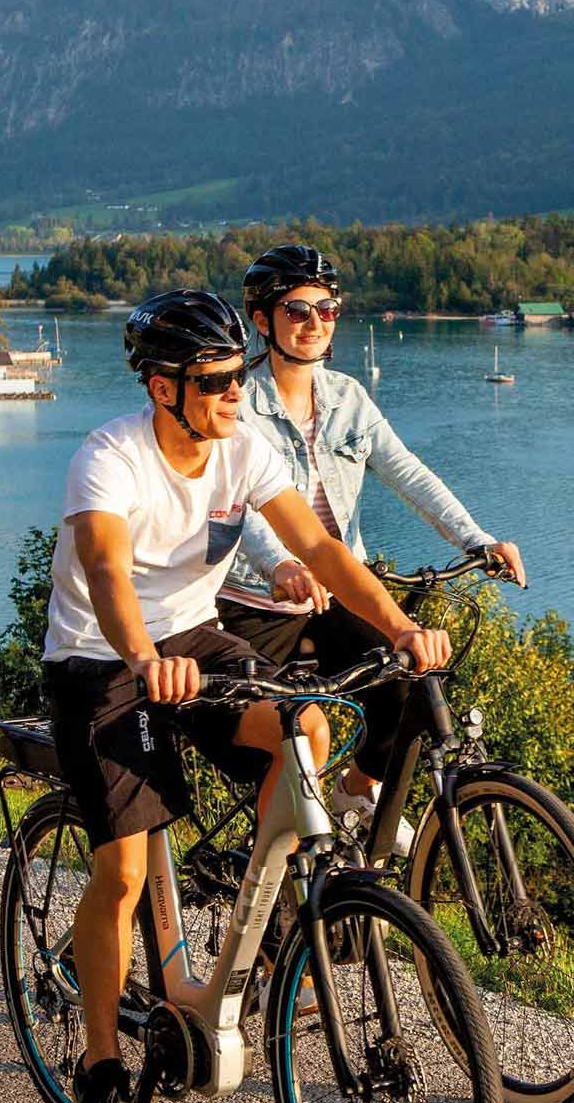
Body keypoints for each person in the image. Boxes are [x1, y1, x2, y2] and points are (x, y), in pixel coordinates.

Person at [44, 288, 450, 1103]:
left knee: (309, 726)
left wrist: (398, 627)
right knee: (118, 875)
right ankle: (103, 1063)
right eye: (220, 380)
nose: (238, 391)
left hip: (194, 638)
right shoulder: (107, 459)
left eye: (239, 375)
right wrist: (145, 657)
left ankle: (251, 930)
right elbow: (109, 573)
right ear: (164, 388)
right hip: (100, 659)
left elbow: (321, 550)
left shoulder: (241, 446)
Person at [219, 245, 525, 848]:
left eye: (328, 310)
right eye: (298, 309)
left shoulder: (348, 398)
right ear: (262, 319)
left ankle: (357, 792)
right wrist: (279, 563)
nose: (315, 324)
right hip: (256, 604)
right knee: (285, 746)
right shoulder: (239, 405)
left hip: (339, 589)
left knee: (410, 682)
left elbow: (408, 472)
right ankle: (273, 885)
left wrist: (477, 537)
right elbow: (241, 507)